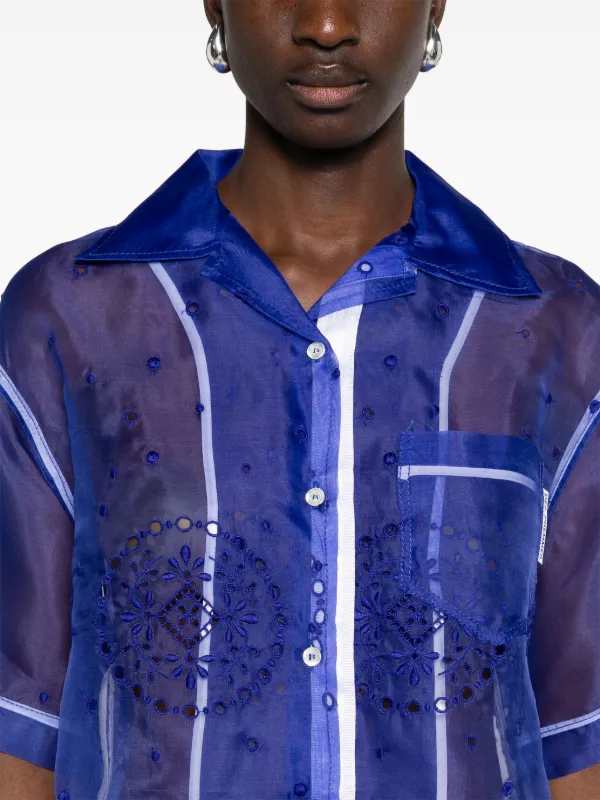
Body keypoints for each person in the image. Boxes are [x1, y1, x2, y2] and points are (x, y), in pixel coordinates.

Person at [1, 1, 599, 798]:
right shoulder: (72, 319)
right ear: (214, 4)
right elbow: (19, 714)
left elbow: (578, 730)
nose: (325, 24)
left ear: (435, 5)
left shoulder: (552, 330)